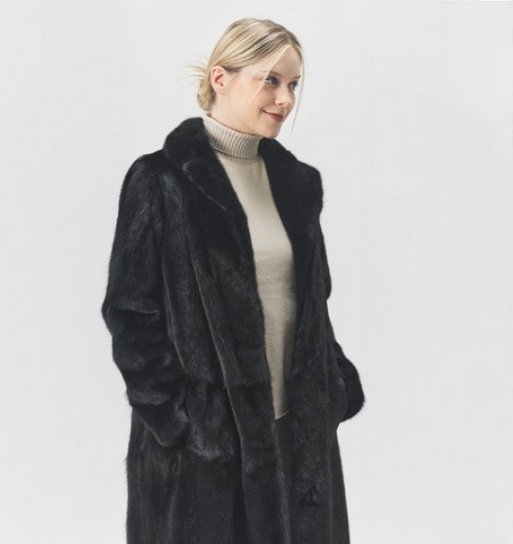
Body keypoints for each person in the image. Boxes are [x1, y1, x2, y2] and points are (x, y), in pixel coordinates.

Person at [101, 17, 366, 544]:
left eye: (293, 84)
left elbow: (313, 303)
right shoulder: (161, 181)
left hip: (297, 434)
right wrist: (180, 420)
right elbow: (130, 313)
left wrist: (334, 387)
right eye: (270, 80)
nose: (285, 99)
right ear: (220, 78)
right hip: (208, 453)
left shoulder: (298, 185)